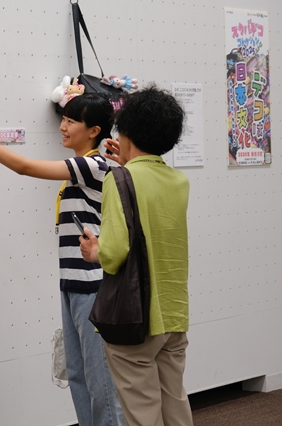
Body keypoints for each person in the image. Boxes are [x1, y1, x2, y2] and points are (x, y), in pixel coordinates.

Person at [0, 93, 125, 426]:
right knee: (78, 373)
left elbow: (24, 167)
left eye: (72, 121)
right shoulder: (87, 166)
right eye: (64, 119)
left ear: (94, 131)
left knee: (100, 379)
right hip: (73, 285)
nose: (63, 126)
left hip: (92, 287)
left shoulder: (92, 165)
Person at [79, 84, 193, 426]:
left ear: (126, 133)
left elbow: (114, 254)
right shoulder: (179, 181)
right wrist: (129, 162)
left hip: (137, 319)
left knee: (143, 414)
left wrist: (94, 250)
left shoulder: (118, 180)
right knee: (175, 405)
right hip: (174, 315)